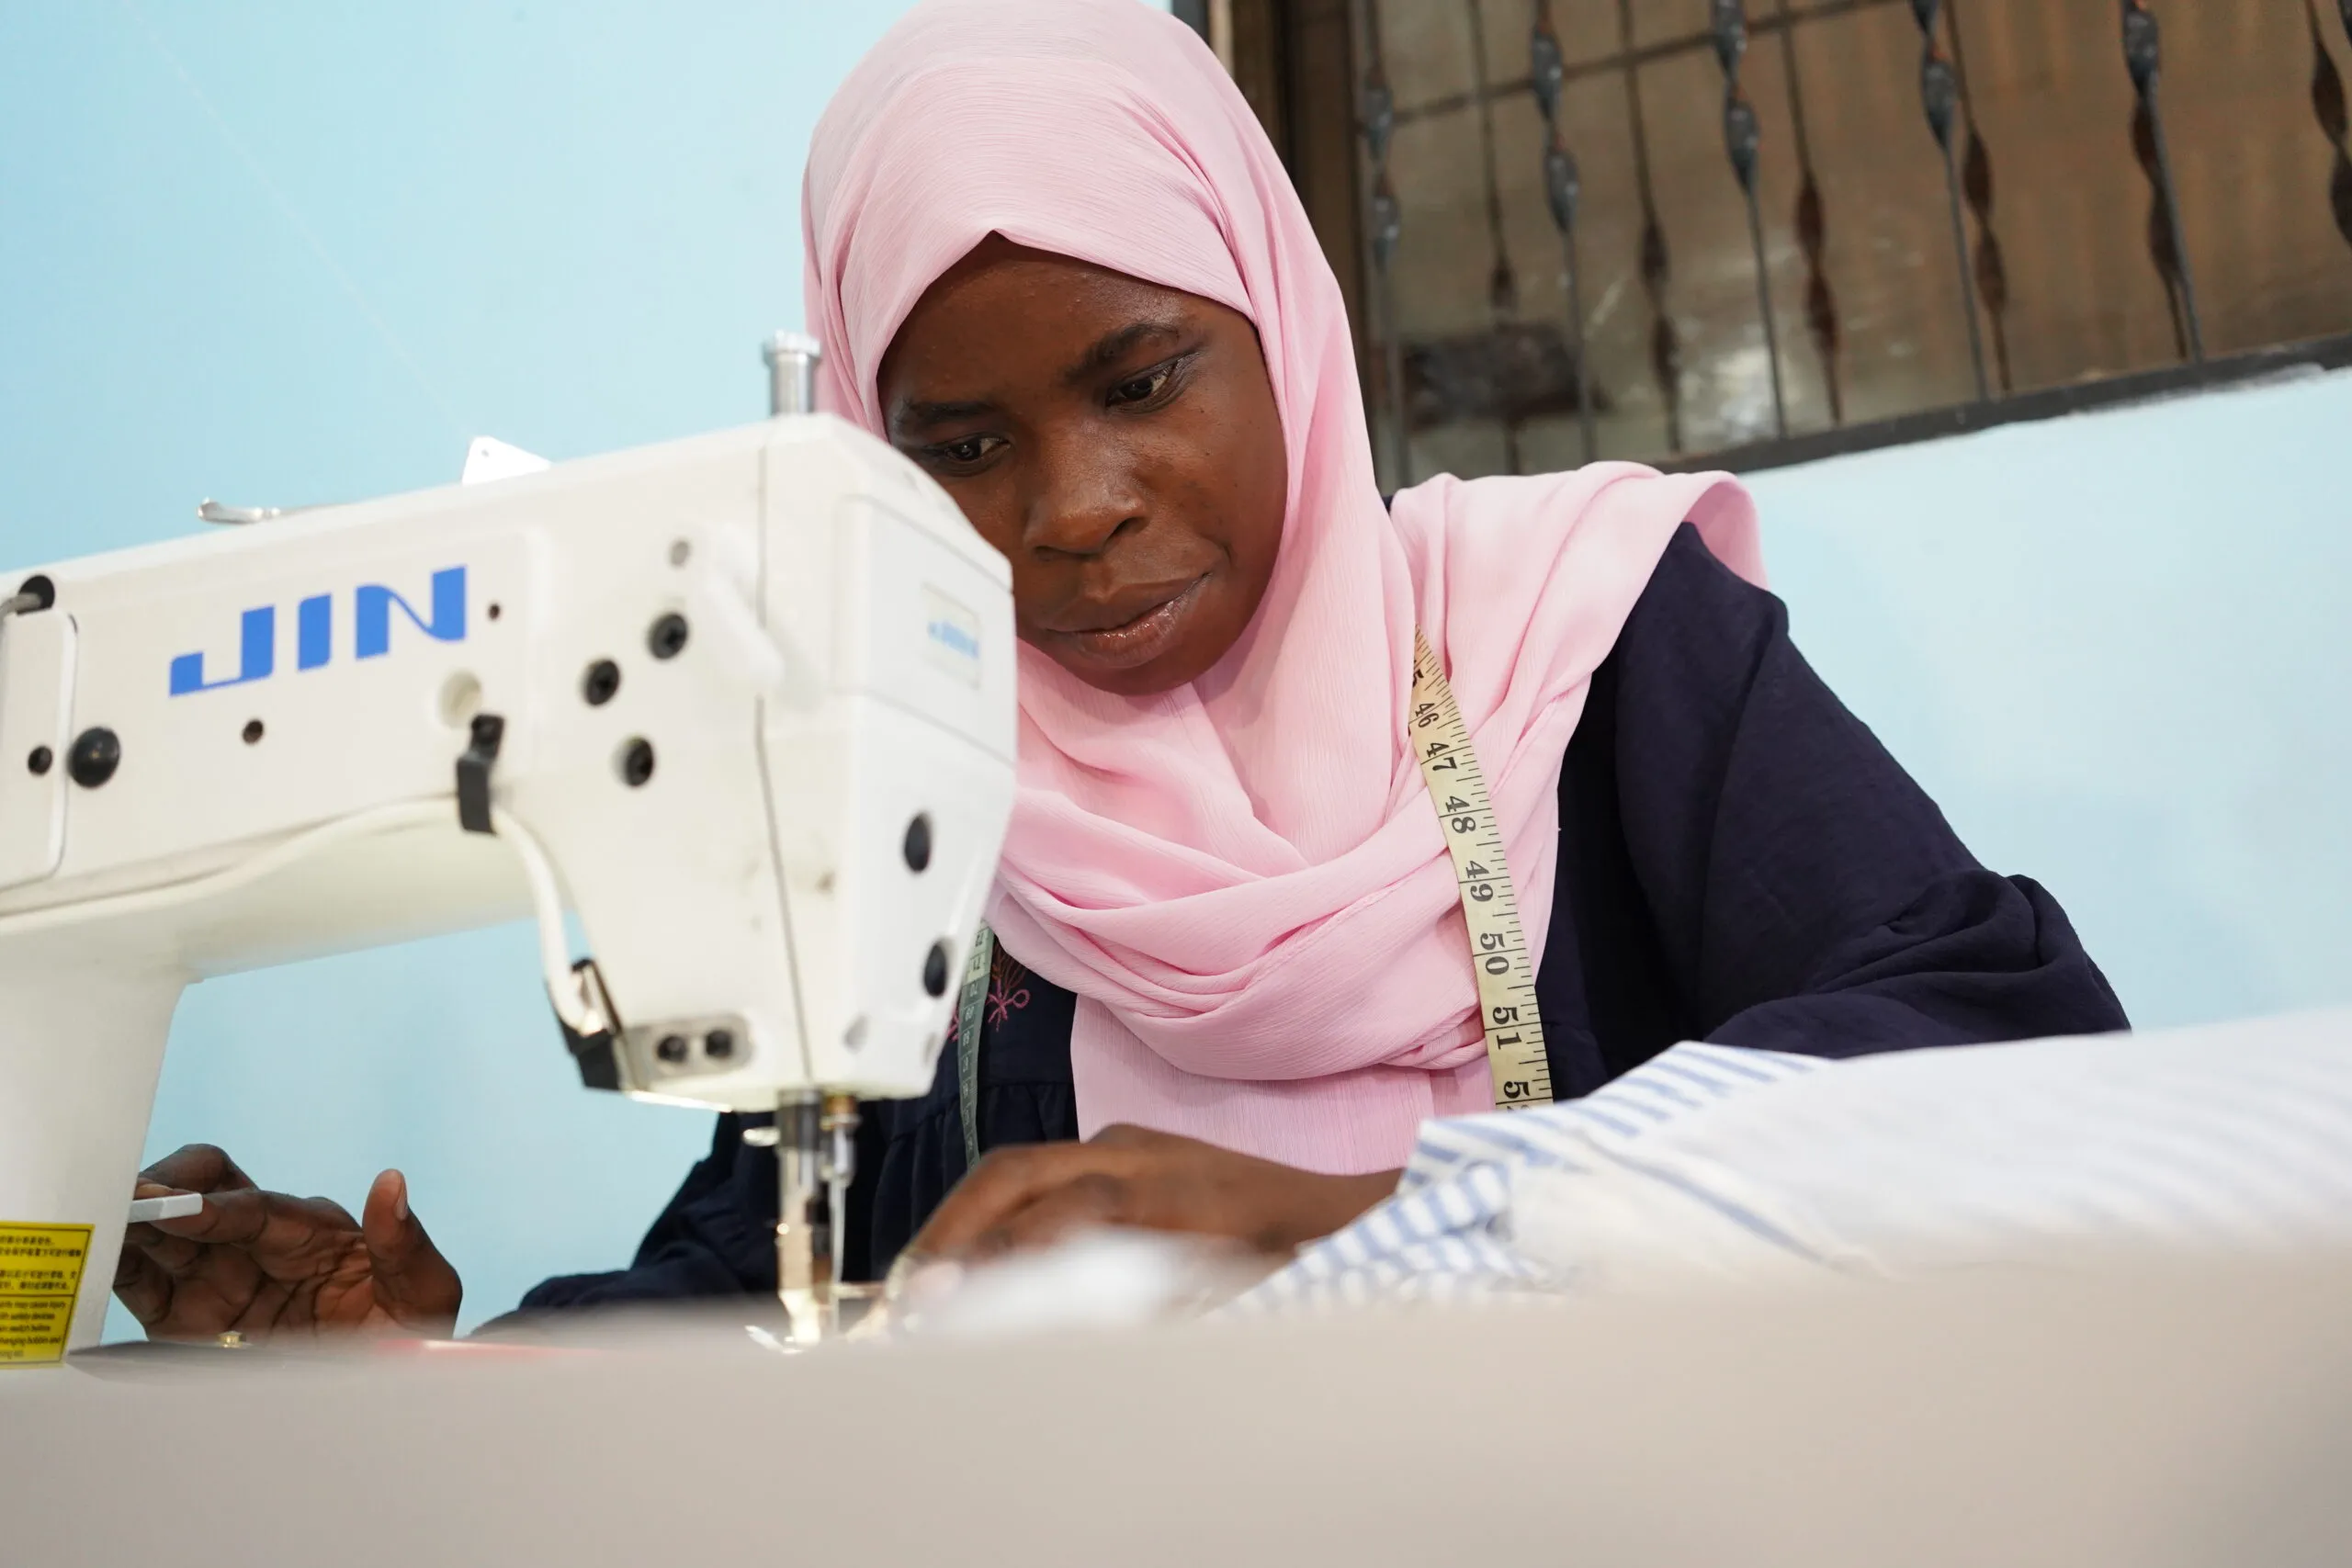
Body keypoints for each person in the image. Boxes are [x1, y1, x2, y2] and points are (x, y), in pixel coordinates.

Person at [112, 0, 2126, 1344]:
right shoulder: (929, 788)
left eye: (1139, 378)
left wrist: (1336, 1214)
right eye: (956, 448)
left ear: (1279, 320)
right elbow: (767, 1279)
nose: (1063, 511)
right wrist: (441, 1358)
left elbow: (1992, 1054)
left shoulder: (1577, 643)